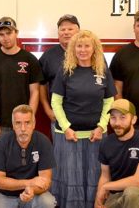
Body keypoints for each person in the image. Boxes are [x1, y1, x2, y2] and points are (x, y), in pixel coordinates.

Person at [51, 30, 116, 208]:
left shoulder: (102, 70)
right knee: (70, 177)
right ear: (73, 48)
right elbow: (56, 102)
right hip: (68, 135)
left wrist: (102, 127)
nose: (83, 50)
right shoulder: (65, 70)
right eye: (79, 46)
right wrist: (66, 128)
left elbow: (109, 101)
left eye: (87, 46)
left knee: (94, 176)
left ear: (94, 48)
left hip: (95, 136)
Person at [0, 16, 44, 200]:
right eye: (1, 34)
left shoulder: (29, 59)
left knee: (22, 165)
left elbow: (34, 92)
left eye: (9, 33)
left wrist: (29, 119)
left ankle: (22, 200)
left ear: (16, 33)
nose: (5, 37)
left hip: (22, 125)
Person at [0, 104, 57, 208]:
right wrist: (29, 183)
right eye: (18, 123)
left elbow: (45, 181)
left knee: (48, 202)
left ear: (34, 124)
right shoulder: (2, 142)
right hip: (6, 194)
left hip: (34, 193)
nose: (23, 128)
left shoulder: (43, 141)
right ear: (13, 125)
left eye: (27, 123)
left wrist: (31, 190)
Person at [95, 99, 139, 208]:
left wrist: (106, 187)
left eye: (123, 117)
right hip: (116, 196)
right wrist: (99, 198)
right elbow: (105, 176)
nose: (117, 123)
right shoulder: (106, 143)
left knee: (131, 193)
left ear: (133, 119)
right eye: (113, 118)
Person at [110, 10, 139, 132]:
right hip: (130, 122)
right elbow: (117, 88)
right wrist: (124, 116)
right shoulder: (122, 54)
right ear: (134, 28)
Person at [39, 14, 80, 127]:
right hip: (59, 117)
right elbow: (41, 84)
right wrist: (47, 109)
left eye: (70, 29)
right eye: (62, 29)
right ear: (58, 33)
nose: (66, 32)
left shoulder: (88, 53)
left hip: (87, 116)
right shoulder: (48, 56)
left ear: (78, 31)